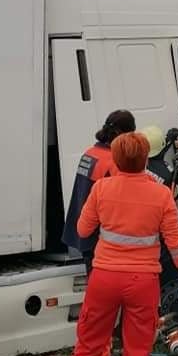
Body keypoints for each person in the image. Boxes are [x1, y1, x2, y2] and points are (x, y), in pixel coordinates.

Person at [60, 132, 178, 356]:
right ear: (145, 159)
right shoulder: (161, 194)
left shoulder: (102, 188)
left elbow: (82, 230)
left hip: (104, 278)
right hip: (143, 282)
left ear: (117, 160)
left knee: (88, 349)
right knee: (137, 353)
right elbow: (175, 242)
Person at [61, 110, 136, 275]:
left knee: (93, 278)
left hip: (83, 229)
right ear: (122, 134)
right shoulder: (113, 163)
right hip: (99, 238)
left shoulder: (89, 153)